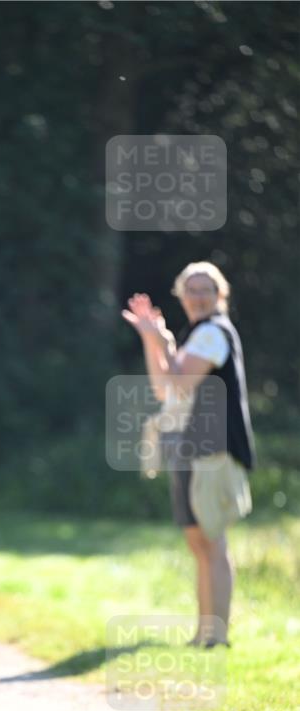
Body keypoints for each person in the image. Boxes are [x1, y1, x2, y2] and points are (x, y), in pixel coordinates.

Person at [122, 262, 255, 647]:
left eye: (206, 289)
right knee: (199, 545)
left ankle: (217, 636)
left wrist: (159, 340)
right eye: (191, 289)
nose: (198, 296)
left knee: (213, 543)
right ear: (181, 295)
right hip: (191, 449)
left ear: (220, 295)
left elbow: (178, 379)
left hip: (214, 450)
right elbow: (165, 388)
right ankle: (204, 634)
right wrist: (153, 338)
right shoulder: (197, 335)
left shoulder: (214, 333)